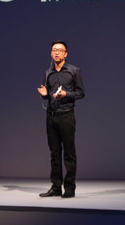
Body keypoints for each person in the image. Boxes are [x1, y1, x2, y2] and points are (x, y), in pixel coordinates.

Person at [37, 40, 85, 198]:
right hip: (51, 117)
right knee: (54, 153)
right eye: (54, 50)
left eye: (60, 50)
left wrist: (66, 94)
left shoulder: (73, 71)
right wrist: (45, 96)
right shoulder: (48, 73)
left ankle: (69, 188)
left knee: (69, 153)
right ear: (51, 53)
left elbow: (81, 93)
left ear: (66, 54)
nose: (56, 52)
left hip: (66, 116)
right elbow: (48, 96)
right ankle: (56, 187)